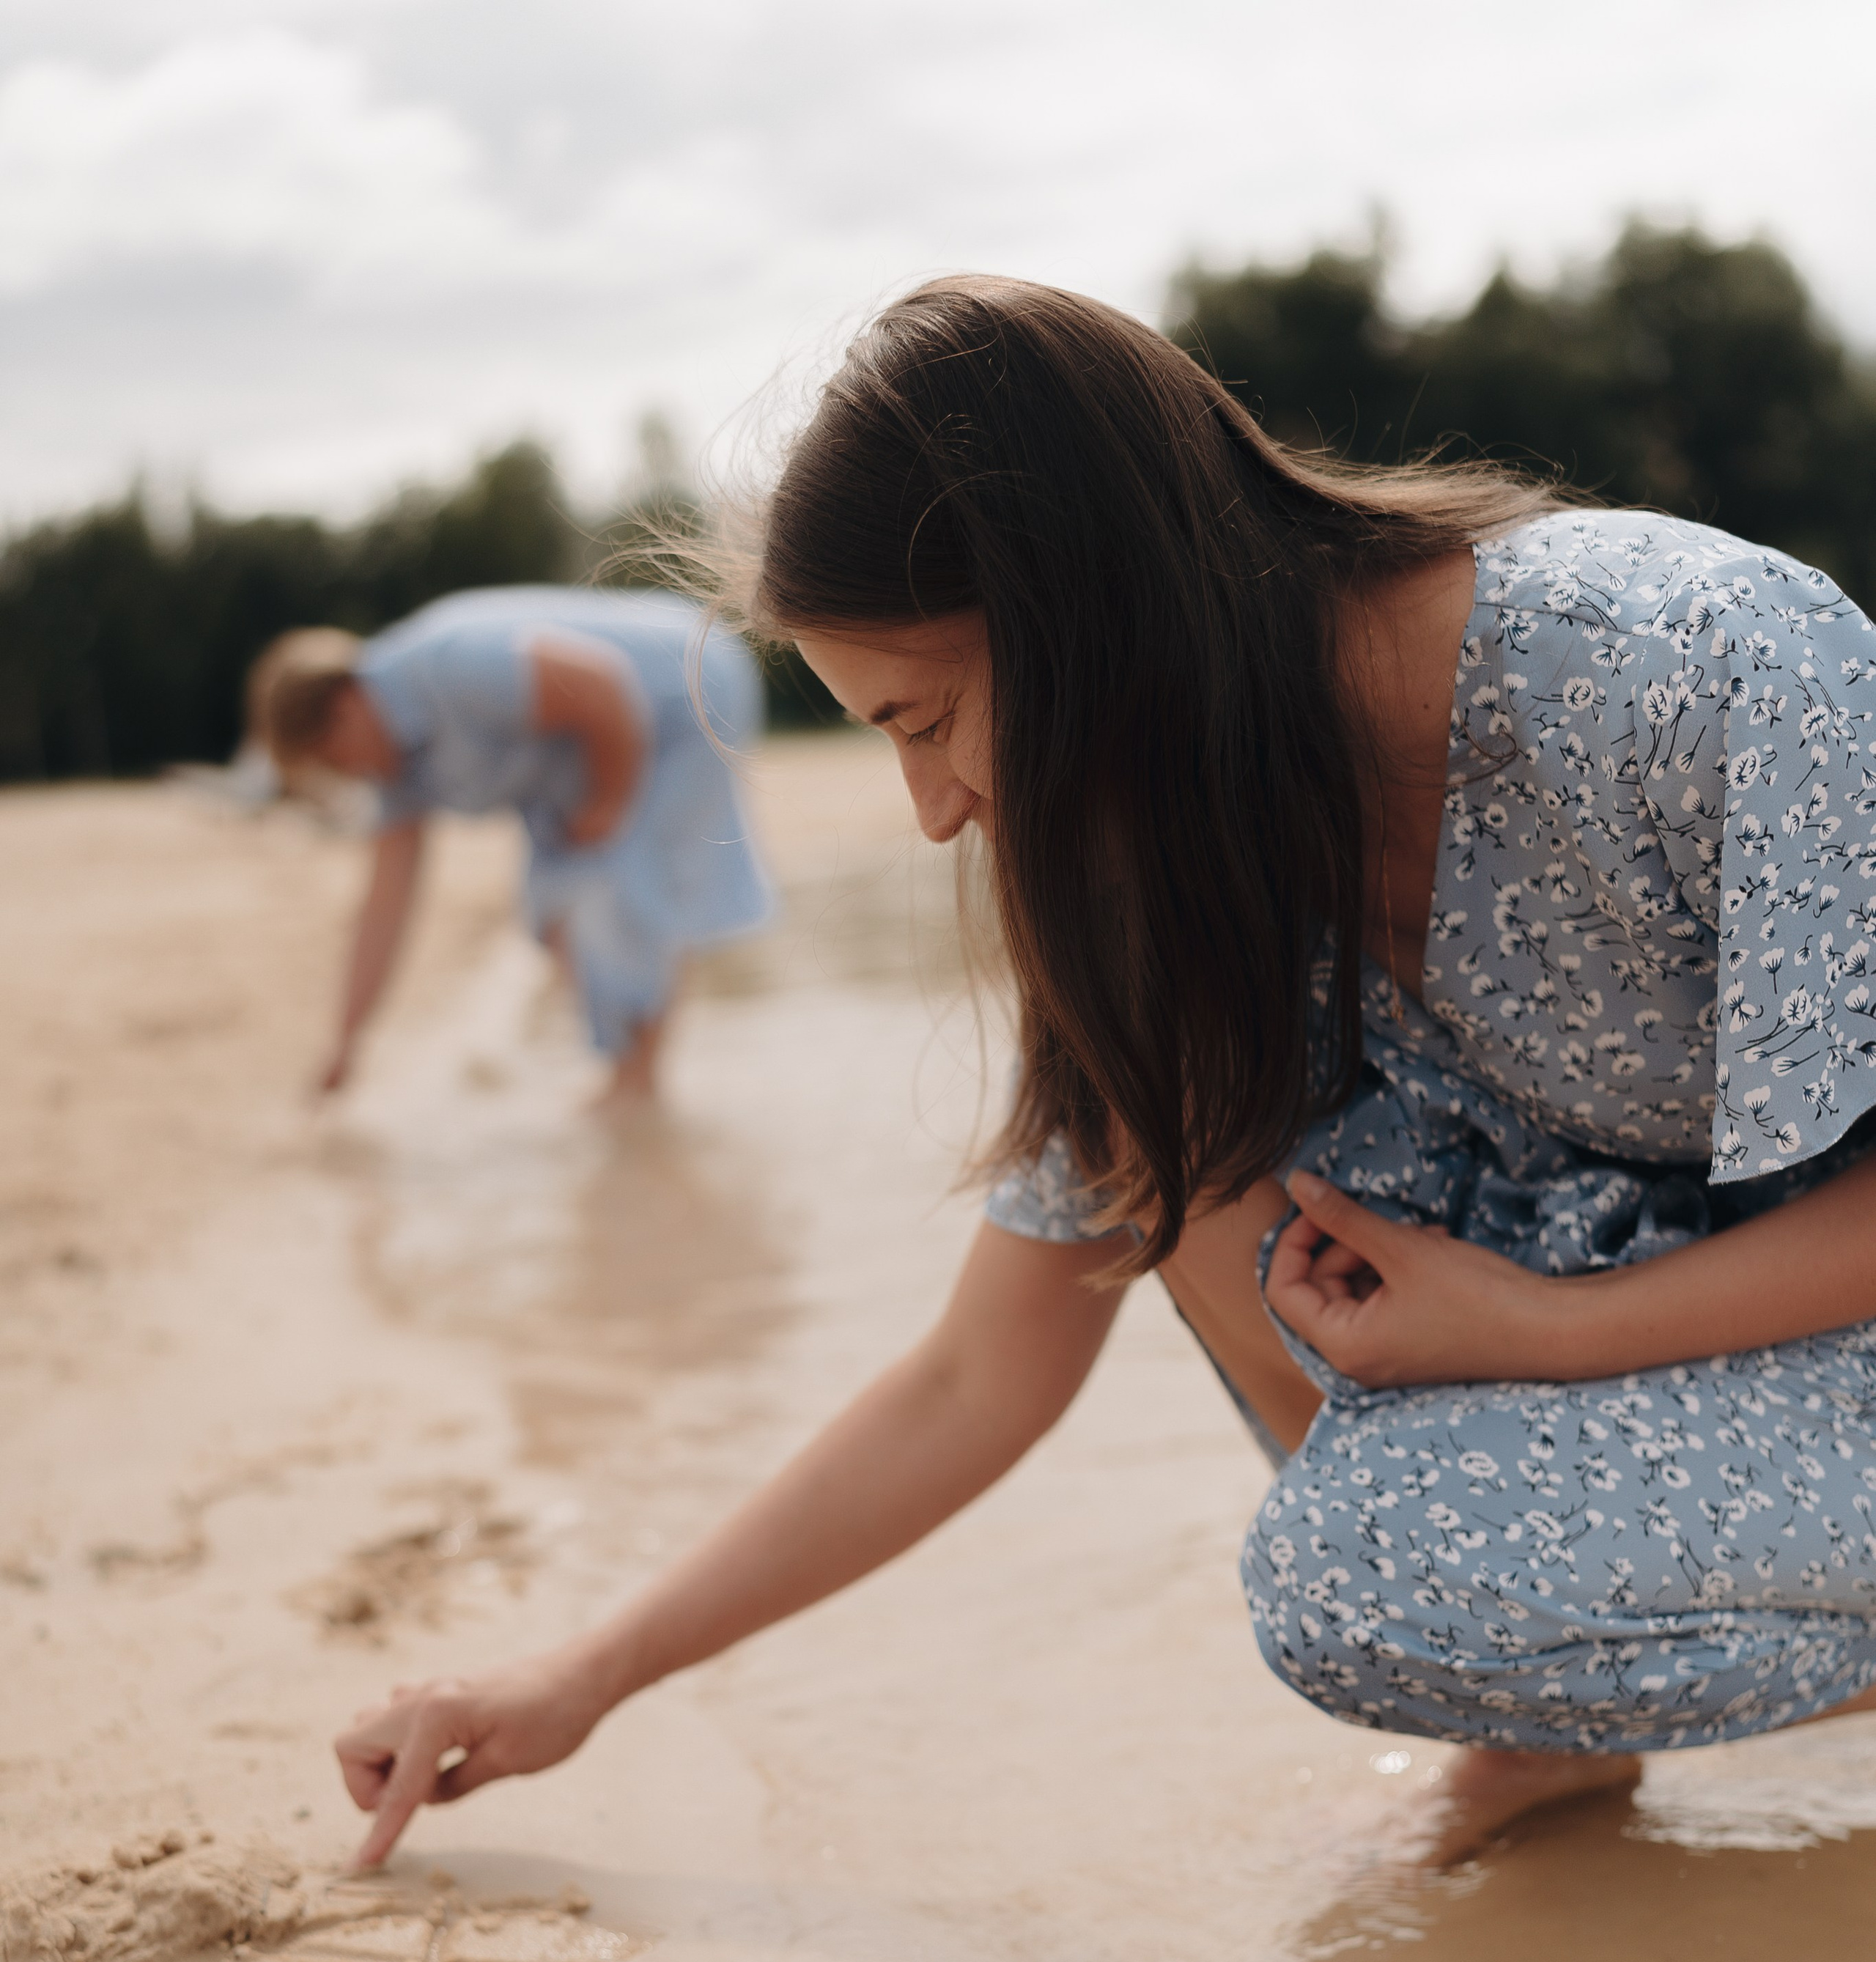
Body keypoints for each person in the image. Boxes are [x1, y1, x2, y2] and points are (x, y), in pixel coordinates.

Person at [333, 275, 1876, 1873]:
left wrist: (1551, 1334)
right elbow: (973, 1372)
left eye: (924, 721)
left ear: (1086, 613)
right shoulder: (1179, 858)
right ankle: (1542, 1729)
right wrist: (581, 1679)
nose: (929, 809)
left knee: (1362, 1568)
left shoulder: (1686, 670)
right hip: (1712, 1349)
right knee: (1184, 1174)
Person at [249, 587, 774, 1100]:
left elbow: (602, 684)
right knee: (552, 910)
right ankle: (624, 1076)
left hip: (685, 688)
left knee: (627, 892)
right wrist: (347, 1042)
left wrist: (610, 803)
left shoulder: (451, 663)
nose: (351, 775)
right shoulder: (394, 768)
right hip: (591, 748)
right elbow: (385, 906)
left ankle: (636, 1087)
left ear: (343, 706)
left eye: (336, 761)